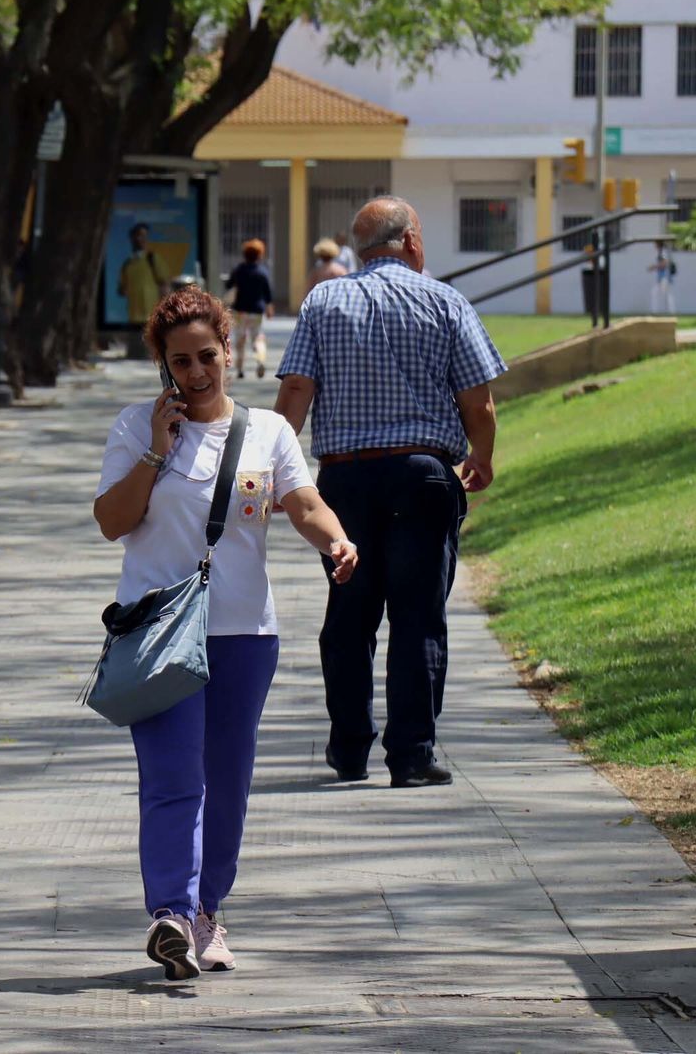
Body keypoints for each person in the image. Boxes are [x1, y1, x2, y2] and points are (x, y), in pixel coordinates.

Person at [94, 288, 357, 979]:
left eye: (206, 356)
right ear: (163, 364)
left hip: (244, 632)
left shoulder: (267, 431)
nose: (196, 372)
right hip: (158, 634)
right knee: (173, 777)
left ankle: (207, 909)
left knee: (228, 781)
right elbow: (113, 521)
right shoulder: (135, 426)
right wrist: (156, 452)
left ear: (228, 351)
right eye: (180, 361)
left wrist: (335, 541)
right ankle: (171, 914)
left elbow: (303, 501)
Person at [272, 195, 505, 789]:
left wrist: (273, 464)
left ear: (360, 248)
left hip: (345, 481)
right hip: (424, 477)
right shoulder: (446, 301)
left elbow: (296, 390)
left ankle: (349, 749)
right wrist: (480, 456)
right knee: (418, 617)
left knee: (349, 617)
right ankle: (411, 756)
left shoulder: (323, 300)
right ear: (412, 241)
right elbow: (478, 402)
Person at [226, 239, 273, 378]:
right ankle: (260, 360)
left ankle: (240, 369)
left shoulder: (238, 270)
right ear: (260, 254)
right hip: (256, 311)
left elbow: (228, 285)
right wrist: (269, 308)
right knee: (257, 337)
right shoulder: (262, 272)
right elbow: (267, 293)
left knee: (240, 339)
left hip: (240, 310)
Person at [118, 222, 171, 325]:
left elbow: (165, 285)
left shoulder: (153, 259)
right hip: (133, 317)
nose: (142, 239)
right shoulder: (127, 264)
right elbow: (122, 289)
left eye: (145, 236)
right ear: (132, 238)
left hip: (152, 317)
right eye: (139, 235)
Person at [648, 241, 677, 315]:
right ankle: (657, 312)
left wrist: (654, 267)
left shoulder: (663, 252)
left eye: (655, 244)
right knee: (657, 293)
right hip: (662, 278)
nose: (654, 245)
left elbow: (666, 263)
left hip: (665, 278)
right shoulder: (661, 252)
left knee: (666, 296)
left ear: (658, 244)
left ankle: (671, 313)